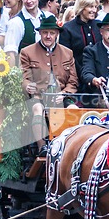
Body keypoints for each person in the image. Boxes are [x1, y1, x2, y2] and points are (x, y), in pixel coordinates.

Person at [20, 15, 78, 156]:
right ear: (40, 33)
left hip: (61, 96)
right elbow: (23, 78)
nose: (48, 36)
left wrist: (64, 93)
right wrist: (27, 86)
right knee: (38, 108)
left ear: (57, 34)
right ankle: (42, 148)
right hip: (38, 96)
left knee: (74, 110)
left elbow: (73, 81)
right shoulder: (27, 52)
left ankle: (71, 148)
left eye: (52, 33)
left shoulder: (67, 53)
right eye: (45, 32)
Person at [4, 0, 51, 66]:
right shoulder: (16, 22)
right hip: (25, 75)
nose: (29, 1)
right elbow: (10, 53)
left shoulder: (48, 17)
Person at [59, 0, 101, 86]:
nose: (94, 10)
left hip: (99, 77)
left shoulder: (99, 26)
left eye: (95, 7)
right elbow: (66, 56)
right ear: (82, 7)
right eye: (90, 7)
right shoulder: (68, 28)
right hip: (76, 77)